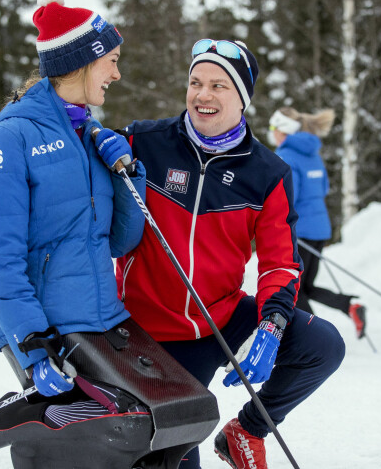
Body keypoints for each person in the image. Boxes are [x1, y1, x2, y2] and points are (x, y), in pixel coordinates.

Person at [114, 39, 346, 469]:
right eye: (196, 82)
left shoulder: (267, 173)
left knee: (322, 344)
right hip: (144, 333)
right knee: (172, 458)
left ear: (242, 98)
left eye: (219, 85)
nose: (203, 95)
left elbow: (279, 261)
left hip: (215, 321)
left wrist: (272, 325)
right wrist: (94, 135)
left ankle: (246, 432)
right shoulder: (144, 141)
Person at [0, 0, 146, 417]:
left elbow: (119, 240)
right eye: (112, 62)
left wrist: (126, 173)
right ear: (81, 62)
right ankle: (12, 423)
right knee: (90, 445)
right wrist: (33, 345)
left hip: (103, 320)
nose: (117, 75)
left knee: (159, 428)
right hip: (48, 332)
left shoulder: (90, 135)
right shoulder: (10, 141)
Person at [268, 106, 368, 339]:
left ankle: (315, 335)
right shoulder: (312, 154)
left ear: (283, 130)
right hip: (320, 228)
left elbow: (288, 198)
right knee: (307, 287)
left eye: (273, 127)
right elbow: (323, 188)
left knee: (294, 289)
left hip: (299, 231)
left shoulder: (286, 156)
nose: (271, 132)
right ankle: (350, 307)